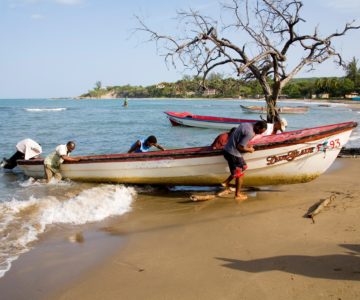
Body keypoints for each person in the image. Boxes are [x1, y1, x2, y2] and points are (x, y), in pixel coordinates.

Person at [221, 121, 268, 202]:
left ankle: (226, 182)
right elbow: (240, 147)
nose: (259, 134)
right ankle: (237, 195)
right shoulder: (250, 133)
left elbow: (238, 138)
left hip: (227, 150)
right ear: (258, 127)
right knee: (240, 174)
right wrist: (250, 150)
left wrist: (245, 145)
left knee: (243, 167)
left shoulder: (245, 124)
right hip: (233, 153)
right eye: (260, 132)